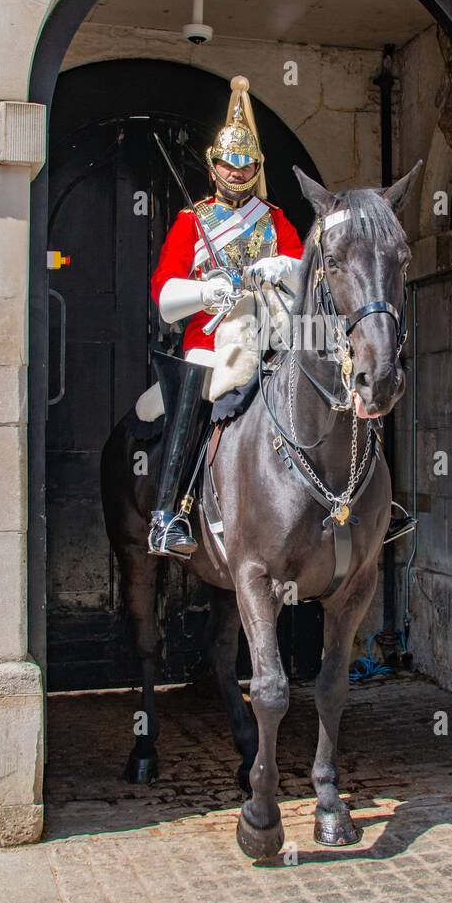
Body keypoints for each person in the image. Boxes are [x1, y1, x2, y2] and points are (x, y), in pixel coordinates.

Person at [148, 75, 304, 557]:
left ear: (256, 167)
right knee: (191, 403)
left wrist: (283, 265)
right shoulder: (191, 221)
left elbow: (307, 275)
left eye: (245, 164)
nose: (236, 171)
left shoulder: (275, 220)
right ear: (214, 165)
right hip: (210, 341)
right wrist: (204, 290)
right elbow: (164, 294)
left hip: (268, 334)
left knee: (328, 380)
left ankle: (362, 499)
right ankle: (167, 515)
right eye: (228, 163)